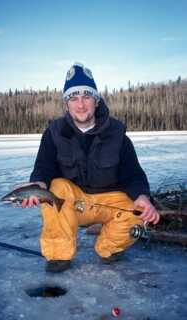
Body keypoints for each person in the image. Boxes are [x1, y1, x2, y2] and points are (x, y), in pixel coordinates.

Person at [22, 62, 160, 273]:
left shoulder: (117, 134)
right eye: (73, 98)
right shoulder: (54, 132)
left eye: (86, 97)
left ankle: (109, 248)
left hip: (109, 202)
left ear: (96, 100)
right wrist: (37, 185)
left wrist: (142, 196)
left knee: (140, 211)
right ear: (66, 103)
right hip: (73, 203)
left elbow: (133, 174)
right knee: (55, 187)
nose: (81, 105)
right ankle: (59, 255)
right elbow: (44, 168)